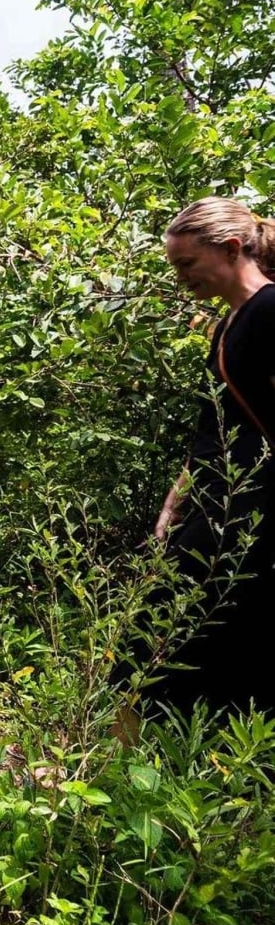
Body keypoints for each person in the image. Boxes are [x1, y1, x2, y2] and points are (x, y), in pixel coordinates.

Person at [150, 196, 275, 713]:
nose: (181, 278)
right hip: (217, 501)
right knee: (176, 622)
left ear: (228, 249)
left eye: (187, 264)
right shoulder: (228, 324)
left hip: (254, 505)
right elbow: (216, 423)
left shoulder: (269, 311)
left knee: (178, 624)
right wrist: (173, 502)